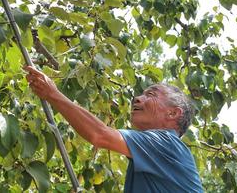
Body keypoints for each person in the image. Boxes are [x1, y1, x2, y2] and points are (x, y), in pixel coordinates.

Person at [24, 65, 203, 192]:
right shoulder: (153, 159)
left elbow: (99, 134)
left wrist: (52, 93)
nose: (138, 99)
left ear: (173, 113)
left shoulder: (166, 143)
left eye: (151, 94)